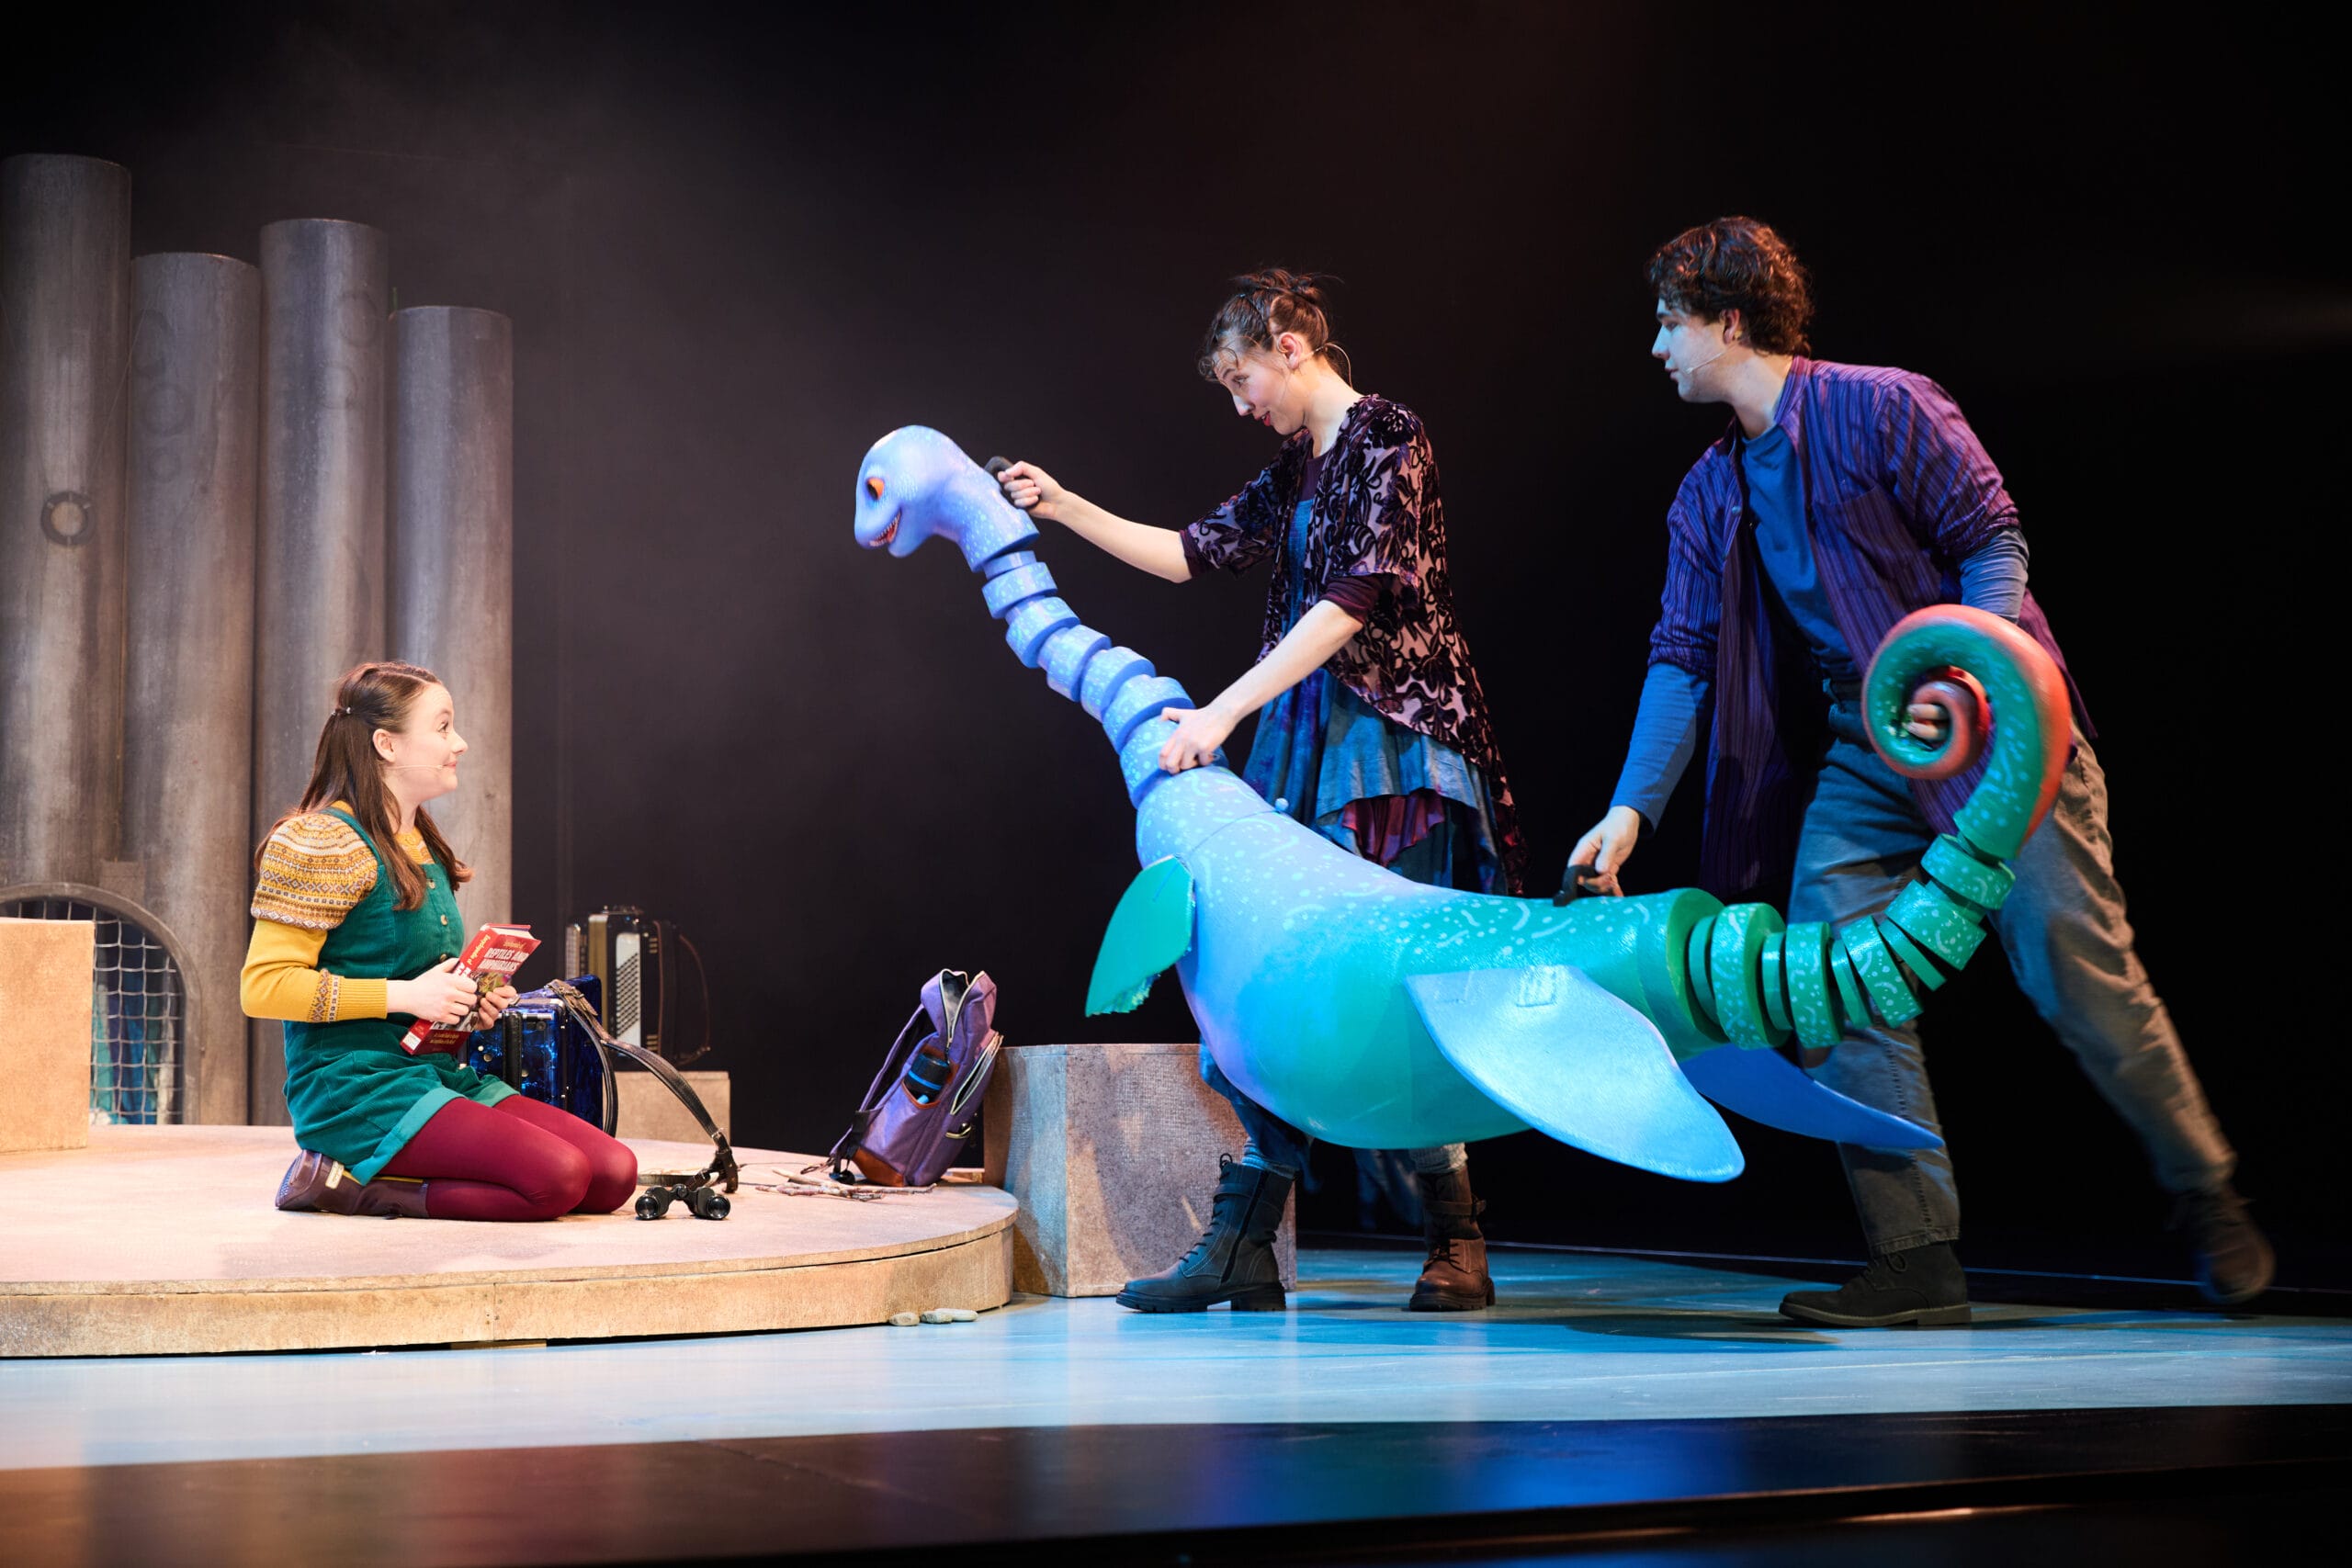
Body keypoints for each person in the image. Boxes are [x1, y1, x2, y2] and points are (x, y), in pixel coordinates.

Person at [1569, 217, 2271, 1325]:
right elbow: (1681, 660)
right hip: (1868, 748)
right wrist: (1627, 810)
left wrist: (1973, 669)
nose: (1656, 345)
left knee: (2075, 976)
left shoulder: (1884, 404)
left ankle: (2205, 1191)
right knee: (1826, 973)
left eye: (1668, 320)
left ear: (1728, 319)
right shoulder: (1709, 492)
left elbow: (1992, 538)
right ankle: (1916, 1254)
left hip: (2001, 735)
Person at [997, 270, 1526, 1313]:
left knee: (1395, 979)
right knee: (1270, 981)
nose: (1240, 405)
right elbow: (1190, 556)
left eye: (1242, 378)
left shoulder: (1389, 437)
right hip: (1303, 743)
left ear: (1290, 345)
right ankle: (1242, 1236)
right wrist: (1060, 506)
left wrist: (1223, 711)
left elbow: (1351, 605)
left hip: (1392, 746)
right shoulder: (1293, 471)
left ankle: (1455, 1238)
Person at [243, 660, 637, 1221]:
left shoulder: (420, 841)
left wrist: (469, 1004)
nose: (461, 743)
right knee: (558, 1179)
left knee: (611, 1174)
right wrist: (406, 997)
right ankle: (350, 1187)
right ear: (387, 744)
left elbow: (425, 978)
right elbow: (264, 987)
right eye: (444, 726)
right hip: (356, 1086)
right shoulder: (318, 841)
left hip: (432, 1071)